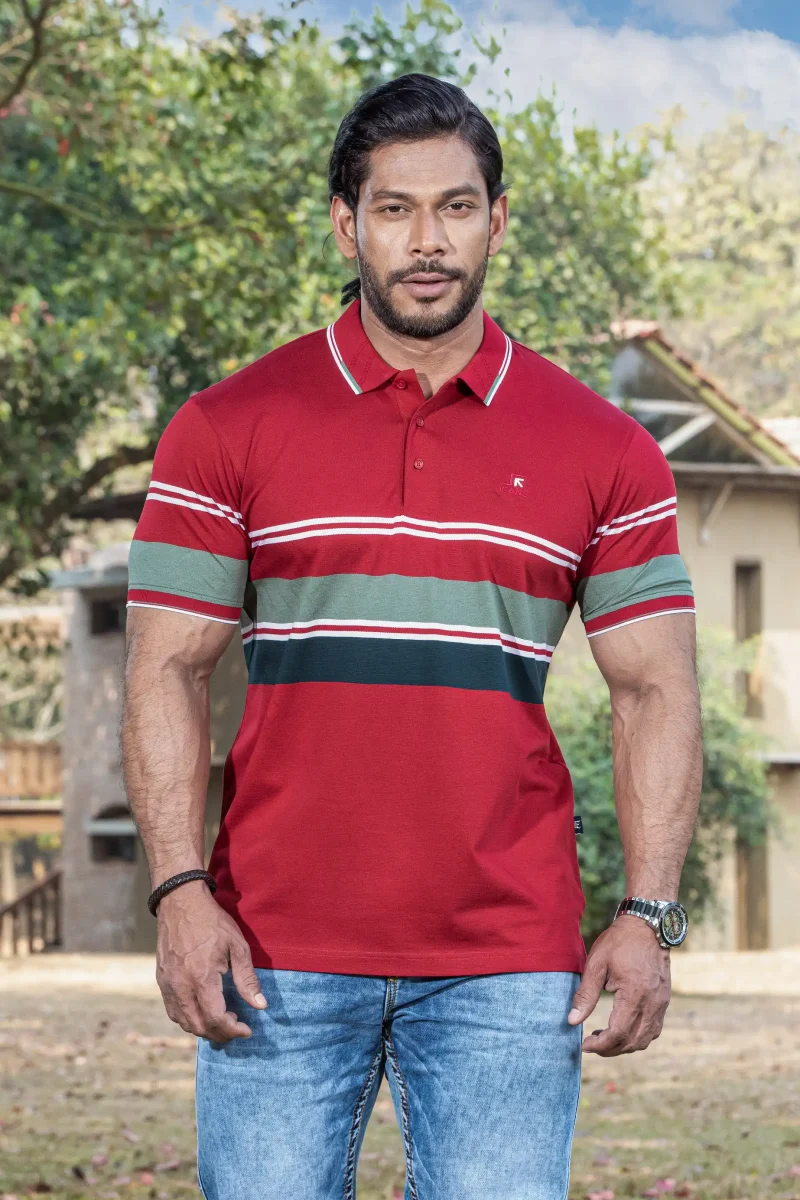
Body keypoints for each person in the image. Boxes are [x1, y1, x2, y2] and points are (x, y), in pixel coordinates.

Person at [121, 73, 701, 1200]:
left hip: (508, 960)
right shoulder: (224, 427)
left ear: (497, 220)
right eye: (395, 209)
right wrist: (180, 891)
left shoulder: (605, 449)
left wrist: (647, 913)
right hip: (271, 949)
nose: (426, 241)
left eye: (455, 207)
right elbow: (164, 670)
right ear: (348, 225)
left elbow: (655, 692)